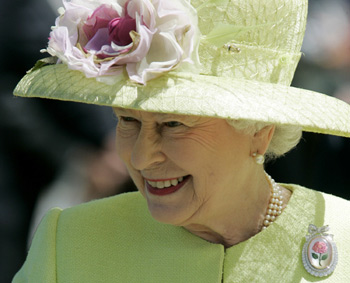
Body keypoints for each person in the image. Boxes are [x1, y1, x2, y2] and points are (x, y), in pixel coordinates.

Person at [12, 0, 350, 282]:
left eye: (173, 124)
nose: (142, 157)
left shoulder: (344, 234)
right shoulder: (69, 241)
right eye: (127, 120)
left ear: (260, 131)